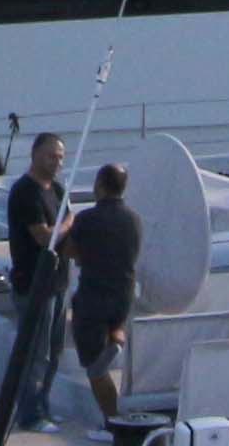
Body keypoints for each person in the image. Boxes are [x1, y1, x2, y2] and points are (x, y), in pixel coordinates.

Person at [0, 134, 70, 445]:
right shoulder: (24, 192)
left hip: (59, 282)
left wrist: (63, 226)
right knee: (36, 352)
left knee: (54, 351)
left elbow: (67, 219)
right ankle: (30, 414)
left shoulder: (57, 189)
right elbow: (45, 237)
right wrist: (65, 226)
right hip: (33, 283)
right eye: (50, 156)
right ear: (34, 156)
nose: (56, 163)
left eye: (59, 157)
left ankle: (43, 406)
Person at [60, 163, 146, 435]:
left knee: (94, 368)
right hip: (123, 297)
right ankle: (117, 337)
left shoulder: (86, 218)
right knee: (101, 356)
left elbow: (69, 250)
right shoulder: (135, 219)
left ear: (99, 186)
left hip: (94, 298)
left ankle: (113, 424)